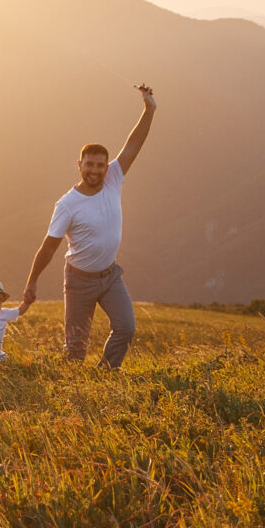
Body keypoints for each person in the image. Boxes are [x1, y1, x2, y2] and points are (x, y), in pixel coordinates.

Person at [21, 84, 155, 367]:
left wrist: (149, 109)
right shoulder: (67, 204)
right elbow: (48, 247)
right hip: (79, 280)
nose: (94, 170)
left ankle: (105, 375)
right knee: (75, 350)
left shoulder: (113, 179)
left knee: (126, 328)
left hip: (110, 276)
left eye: (100, 165)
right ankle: (73, 394)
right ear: (79, 165)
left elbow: (133, 144)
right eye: (89, 164)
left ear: (107, 167)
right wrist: (32, 281)